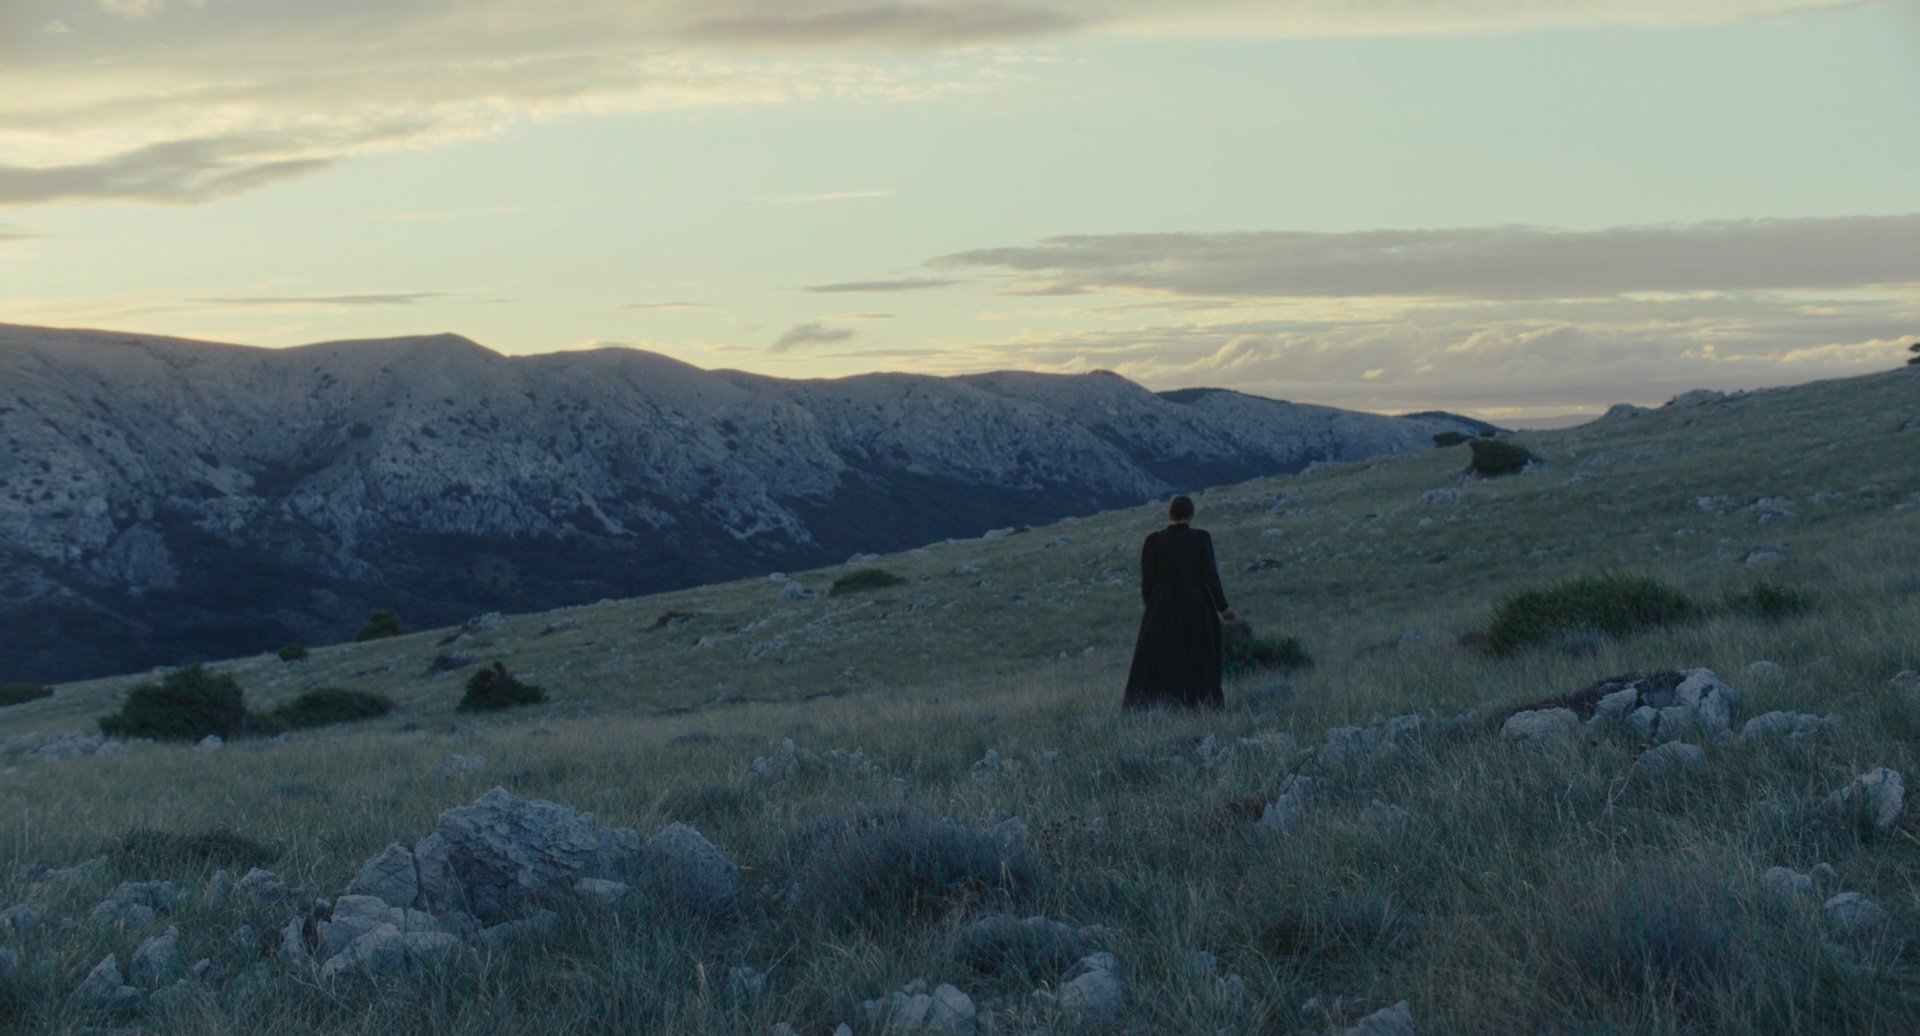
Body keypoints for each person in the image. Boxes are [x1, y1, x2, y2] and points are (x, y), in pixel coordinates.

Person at [1123, 494, 1236, 710]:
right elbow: (1211, 576)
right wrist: (1223, 607)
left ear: (1170, 514)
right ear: (1191, 514)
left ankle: (1154, 706)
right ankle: (1201, 705)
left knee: (1159, 657)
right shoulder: (1201, 538)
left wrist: (1152, 607)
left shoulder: (1153, 541)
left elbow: (1148, 581)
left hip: (1161, 605)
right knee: (1198, 655)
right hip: (1196, 603)